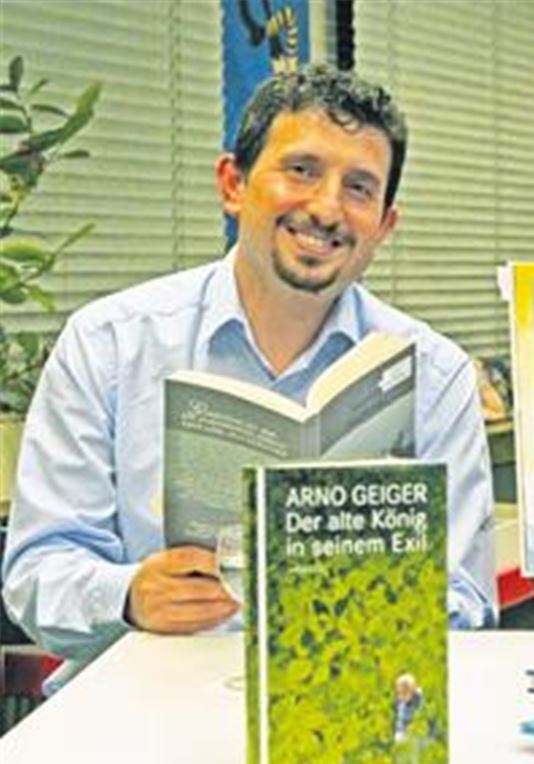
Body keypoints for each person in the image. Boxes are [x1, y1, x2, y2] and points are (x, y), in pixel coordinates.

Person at [2, 65, 497, 693]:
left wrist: (388, 607)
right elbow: (36, 573)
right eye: (302, 171)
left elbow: (468, 598)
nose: (326, 208)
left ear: (384, 225)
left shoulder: (434, 375)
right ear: (232, 184)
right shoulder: (109, 344)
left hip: (345, 712)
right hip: (139, 713)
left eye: (359, 188)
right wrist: (129, 595)